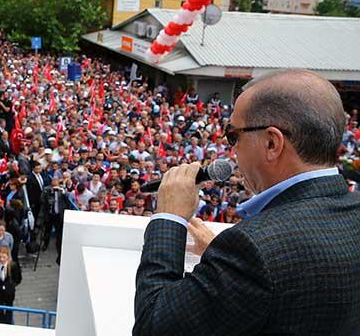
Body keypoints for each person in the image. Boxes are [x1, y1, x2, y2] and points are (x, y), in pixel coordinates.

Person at [133, 70, 360, 335]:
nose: (232, 150)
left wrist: (168, 218)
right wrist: (222, 263)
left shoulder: (254, 248)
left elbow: (154, 324)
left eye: (234, 136)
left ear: (272, 143)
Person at [0, 246, 22, 324]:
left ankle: (8, 323)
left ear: (8, 257)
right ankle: (1, 322)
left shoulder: (13, 265)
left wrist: (11, 286)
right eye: (0, 257)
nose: (2, 259)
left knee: (9, 308)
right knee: (0, 308)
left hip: (9, 291)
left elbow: (18, 278)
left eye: (4, 257)